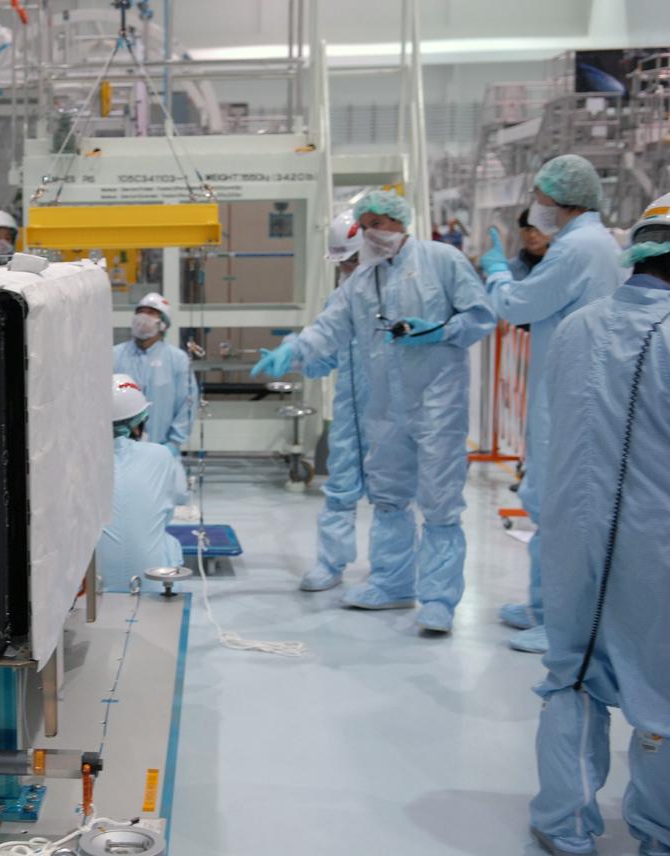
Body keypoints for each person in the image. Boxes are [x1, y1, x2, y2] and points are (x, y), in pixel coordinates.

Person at [251, 190, 495, 633]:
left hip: (437, 404)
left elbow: (480, 316)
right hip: (385, 408)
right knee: (388, 498)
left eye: (379, 223)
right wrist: (292, 350)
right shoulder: (362, 282)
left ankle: (439, 599)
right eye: (365, 226)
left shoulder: (442, 260)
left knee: (439, 502)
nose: (371, 234)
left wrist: (439, 331)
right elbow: (328, 329)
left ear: (401, 221)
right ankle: (392, 583)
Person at [527, 193, 670, 856]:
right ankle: (658, 830)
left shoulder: (580, 327)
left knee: (573, 673)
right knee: (662, 689)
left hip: (569, 537)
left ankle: (566, 823)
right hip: (655, 542)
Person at [478, 154, 622, 654]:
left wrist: (498, 273)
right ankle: (544, 607)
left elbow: (519, 306)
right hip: (570, 385)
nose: (535, 206)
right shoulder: (594, 243)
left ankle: (564, 623)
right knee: (547, 500)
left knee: (562, 508)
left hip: (571, 392)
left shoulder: (576, 247)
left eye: (539, 196)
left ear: (561, 199)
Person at [298, 210, 372, 592]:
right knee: (340, 486)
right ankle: (331, 563)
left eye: (353, 261)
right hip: (349, 408)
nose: (348, 269)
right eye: (342, 263)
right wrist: (303, 357)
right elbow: (326, 353)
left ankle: (392, 575)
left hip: (392, 411)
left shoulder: (398, 292)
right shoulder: (338, 299)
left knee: (393, 497)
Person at [95, 374, 186, 586]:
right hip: (151, 581)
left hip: (92, 585)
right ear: (139, 423)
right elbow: (174, 503)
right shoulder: (160, 456)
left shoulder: (82, 460)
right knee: (167, 542)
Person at [113, 293, 198, 455]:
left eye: (151, 313)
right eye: (141, 312)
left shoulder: (177, 360)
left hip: (163, 449)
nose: (143, 317)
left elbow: (187, 404)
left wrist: (173, 444)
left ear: (163, 324)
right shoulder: (114, 356)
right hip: (119, 452)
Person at [509, 207, 551, 280]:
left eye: (538, 229)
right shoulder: (509, 269)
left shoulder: (560, 263)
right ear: (521, 233)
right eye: (527, 229)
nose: (532, 235)